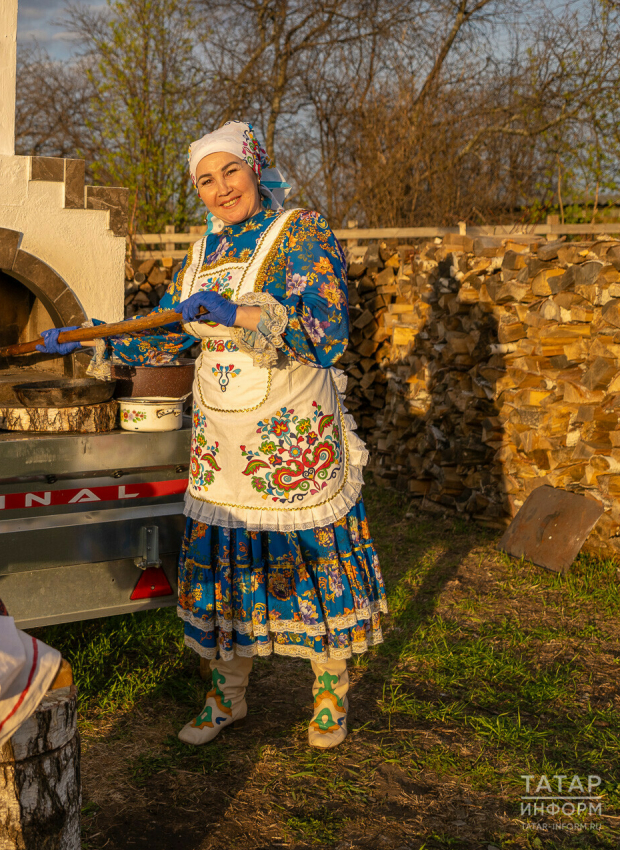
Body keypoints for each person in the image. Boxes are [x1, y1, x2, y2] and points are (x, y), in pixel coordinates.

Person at [37, 121, 388, 749]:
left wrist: (241, 312)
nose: (221, 188)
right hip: (222, 440)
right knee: (228, 565)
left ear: (255, 167)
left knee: (313, 558)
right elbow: (173, 333)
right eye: (207, 179)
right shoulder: (201, 253)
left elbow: (328, 334)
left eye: (230, 171)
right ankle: (228, 695)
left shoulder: (300, 232)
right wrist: (95, 336)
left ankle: (330, 694)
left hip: (290, 435)